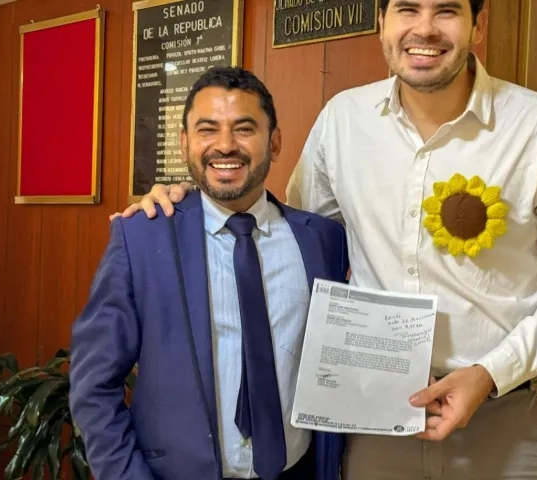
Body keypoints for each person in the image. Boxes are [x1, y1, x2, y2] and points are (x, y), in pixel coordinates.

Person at [112, 0, 537, 478]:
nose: (424, 28)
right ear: (383, 23)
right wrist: (195, 197)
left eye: (446, 10)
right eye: (406, 9)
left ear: (478, 26)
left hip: (502, 416)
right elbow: (289, 239)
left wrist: (488, 374)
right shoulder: (343, 120)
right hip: (374, 419)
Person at [69, 67, 348, 480]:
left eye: (244, 129)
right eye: (207, 129)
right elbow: (94, 386)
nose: (225, 146)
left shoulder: (323, 240)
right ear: (184, 143)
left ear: (274, 141)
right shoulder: (141, 238)